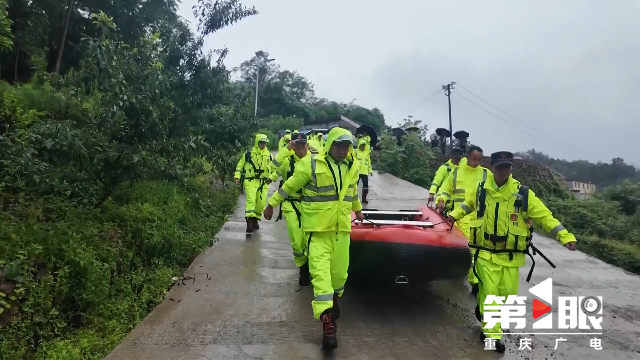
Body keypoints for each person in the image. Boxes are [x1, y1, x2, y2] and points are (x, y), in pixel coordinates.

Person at [447, 151, 577, 353]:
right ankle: (492, 335)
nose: (503, 171)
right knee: (490, 294)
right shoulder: (482, 189)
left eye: (507, 166)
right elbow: (467, 205)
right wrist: (453, 216)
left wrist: (565, 236)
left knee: (505, 297)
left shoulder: (523, 193)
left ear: (511, 168)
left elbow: (544, 215)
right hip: (485, 254)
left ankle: (485, 316)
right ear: (493, 167)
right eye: (500, 167)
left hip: (511, 257)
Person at [263, 127, 364, 350]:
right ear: (330, 145)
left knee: (339, 277)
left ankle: (334, 303)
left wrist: (358, 210)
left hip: (341, 233)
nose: (342, 150)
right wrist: (272, 203)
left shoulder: (352, 166)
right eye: (339, 145)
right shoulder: (310, 164)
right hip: (317, 233)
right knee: (321, 280)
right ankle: (328, 326)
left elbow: (352, 192)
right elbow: (289, 186)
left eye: (346, 146)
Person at [436, 145, 490, 294]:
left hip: (479, 219)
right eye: (474, 159)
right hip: (459, 218)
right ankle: (469, 278)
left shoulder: (486, 174)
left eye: (480, 160)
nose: (477, 162)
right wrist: (441, 199)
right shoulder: (456, 172)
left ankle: (475, 282)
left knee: (477, 251)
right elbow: (445, 189)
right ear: (467, 157)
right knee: (467, 249)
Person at [271, 132, 312, 286]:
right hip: (290, 204)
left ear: (307, 145)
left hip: (310, 206)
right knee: (297, 240)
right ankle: (302, 267)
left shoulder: (315, 160)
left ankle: (310, 265)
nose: (300, 149)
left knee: (310, 239)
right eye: (297, 145)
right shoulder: (288, 161)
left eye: (303, 145)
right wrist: (286, 150)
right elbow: (273, 166)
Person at [234, 133, 277, 233]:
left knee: (260, 204)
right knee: (251, 200)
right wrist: (237, 177)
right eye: (261, 143)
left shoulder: (269, 156)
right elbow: (240, 166)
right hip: (250, 181)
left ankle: (255, 220)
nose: (263, 145)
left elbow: (276, 169)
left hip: (263, 183)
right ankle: (249, 223)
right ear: (257, 142)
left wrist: (271, 177)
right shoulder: (248, 154)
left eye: (265, 143)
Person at [356, 139, 372, 204]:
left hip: (364, 172)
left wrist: (370, 171)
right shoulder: (356, 152)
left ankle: (364, 199)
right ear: (359, 145)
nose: (362, 147)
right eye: (361, 145)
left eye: (364, 146)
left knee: (365, 186)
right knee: (354, 186)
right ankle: (353, 199)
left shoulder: (367, 154)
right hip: (357, 172)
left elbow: (369, 163)